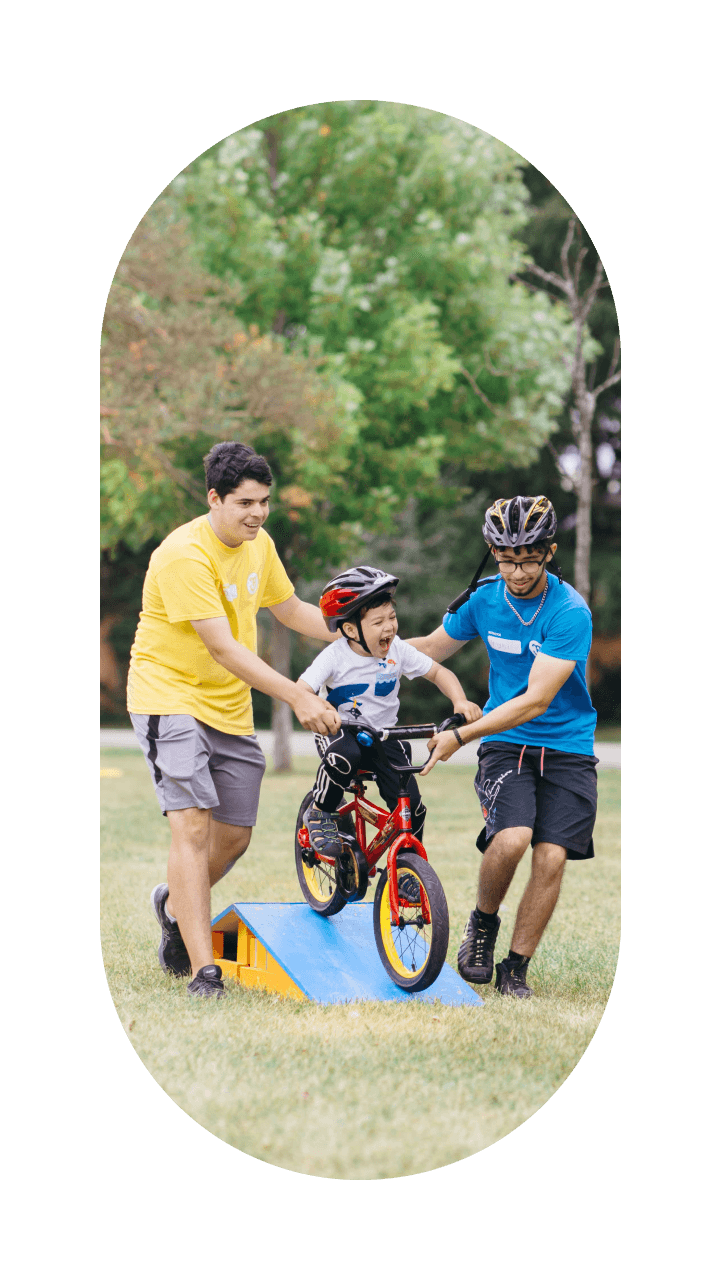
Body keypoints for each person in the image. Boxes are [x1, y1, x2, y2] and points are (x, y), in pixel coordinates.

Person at [127, 441, 341, 998]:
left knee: (235, 836)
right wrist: (298, 696)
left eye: (264, 501)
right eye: (245, 502)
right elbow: (222, 647)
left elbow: (289, 610)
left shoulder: (258, 543)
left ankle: (173, 905)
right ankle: (203, 970)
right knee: (192, 827)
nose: (257, 513)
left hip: (227, 704)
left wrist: (359, 634)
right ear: (214, 498)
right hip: (168, 696)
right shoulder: (183, 556)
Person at [411, 495, 598, 998]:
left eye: (529, 560)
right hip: (506, 745)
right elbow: (430, 647)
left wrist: (462, 735)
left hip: (567, 746)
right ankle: (482, 926)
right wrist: (362, 642)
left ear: (550, 552)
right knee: (512, 838)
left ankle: (515, 967)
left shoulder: (568, 612)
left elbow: (536, 700)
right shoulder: (484, 599)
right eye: (507, 559)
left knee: (552, 856)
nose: (517, 571)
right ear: (493, 552)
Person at [297, 566, 481, 860]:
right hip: (340, 733)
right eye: (378, 622)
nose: (389, 627)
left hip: (382, 736)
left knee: (412, 806)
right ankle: (321, 810)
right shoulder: (335, 655)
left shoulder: (397, 649)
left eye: (392, 618)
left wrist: (459, 701)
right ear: (350, 629)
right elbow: (301, 691)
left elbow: (438, 672)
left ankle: (409, 862)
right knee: (345, 755)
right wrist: (321, 709)